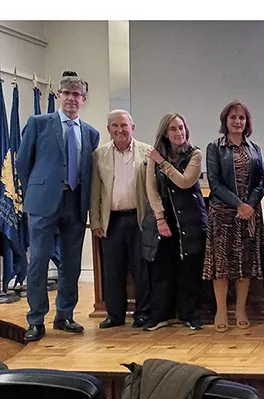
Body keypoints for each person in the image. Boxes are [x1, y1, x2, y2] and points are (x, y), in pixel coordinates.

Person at [17, 72, 100, 342]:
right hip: (43, 203)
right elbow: (22, 163)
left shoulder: (91, 133)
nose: (72, 99)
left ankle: (65, 315)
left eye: (77, 95)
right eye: (67, 93)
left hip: (75, 204)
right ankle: (36, 319)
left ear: (84, 100)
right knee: (39, 261)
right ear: (58, 96)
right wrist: (40, 188)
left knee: (71, 264)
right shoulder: (39, 123)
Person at [203, 101, 264, 332]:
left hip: (249, 214)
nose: (237, 122)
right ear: (225, 121)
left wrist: (249, 205)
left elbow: (261, 181)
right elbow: (215, 183)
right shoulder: (215, 147)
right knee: (222, 264)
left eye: (241, 118)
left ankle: (240, 309)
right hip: (223, 214)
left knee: (245, 263)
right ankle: (221, 310)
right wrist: (238, 204)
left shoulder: (254, 148)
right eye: (233, 118)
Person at [142, 113, 207, 331]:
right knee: (162, 269)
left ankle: (191, 315)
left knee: (189, 269)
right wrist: (160, 217)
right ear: (165, 133)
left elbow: (185, 182)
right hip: (163, 220)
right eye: (173, 129)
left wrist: (162, 163)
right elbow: (151, 188)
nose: (178, 133)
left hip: (190, 220)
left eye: (181, 128)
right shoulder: (155, 155)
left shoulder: (194, 154)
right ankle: (160, 315)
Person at [89, 109, 151, 329]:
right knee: (112, 270)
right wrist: (95, 222)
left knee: (141, 269)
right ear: (108, 130)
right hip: (112, 221)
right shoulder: (99, 155)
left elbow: (153, 190)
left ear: (132, 127)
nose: (120, 129)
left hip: (139, 218)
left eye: (124, 125)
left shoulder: (147, 152)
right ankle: (114, 315)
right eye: (114, 126)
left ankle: (142, 313)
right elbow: (95, 191)